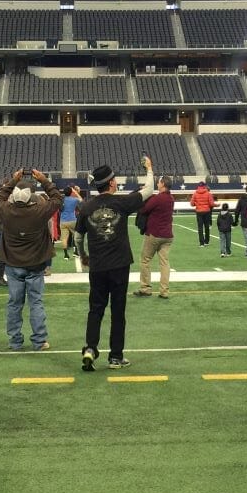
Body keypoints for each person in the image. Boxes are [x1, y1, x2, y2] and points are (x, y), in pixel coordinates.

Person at [75, 157, 153, 371]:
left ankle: (90, 348)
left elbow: (78, 237)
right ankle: (116, 357)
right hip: (119, 265)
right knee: (118, 311)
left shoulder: (86, 207)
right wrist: (149, 169)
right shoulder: (121, 203)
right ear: (110, 183)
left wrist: (83, 256)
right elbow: (149, 190)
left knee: (95, 309)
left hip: (98, 266)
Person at [0, 169, 62, 351]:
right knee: (36, 303)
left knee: (14, 304)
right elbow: (57, 199)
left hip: (13, 265)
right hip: (36, 264)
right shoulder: (39, 211)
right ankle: (39, 341)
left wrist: (12, 181)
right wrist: (44, 180)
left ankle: (15, 342)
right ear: (31, 197)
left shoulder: (6, 210)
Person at [135, 173, 174, 298]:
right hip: (167, 235)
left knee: (145, 260)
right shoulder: (171, 199)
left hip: (154, 234)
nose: (157, 184)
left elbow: (143, 210)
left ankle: (145, 288)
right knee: (164, 263)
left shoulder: (158, 198)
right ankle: (164, 291)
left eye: (159, 182)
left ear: (163, 184)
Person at [59, 184, 82, 260]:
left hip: (63, 221)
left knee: (64, 238)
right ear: (71, 192)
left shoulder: (61, 199)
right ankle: (75, 252)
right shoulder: (74, 199)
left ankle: (66, 255)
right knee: (76, 236)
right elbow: (81, 200)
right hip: (72, 220)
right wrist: (75, 192)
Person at [190, 180, 215, 247]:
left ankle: (201, 243)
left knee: (200, 228)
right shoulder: (208, 193)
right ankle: (207, 241)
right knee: (207, 227)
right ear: (204, 186)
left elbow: (192, 204)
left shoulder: (195, 193)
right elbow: (211, 203)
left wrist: (197, 204)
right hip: (207, 211)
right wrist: (217, 205)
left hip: (199, 212)